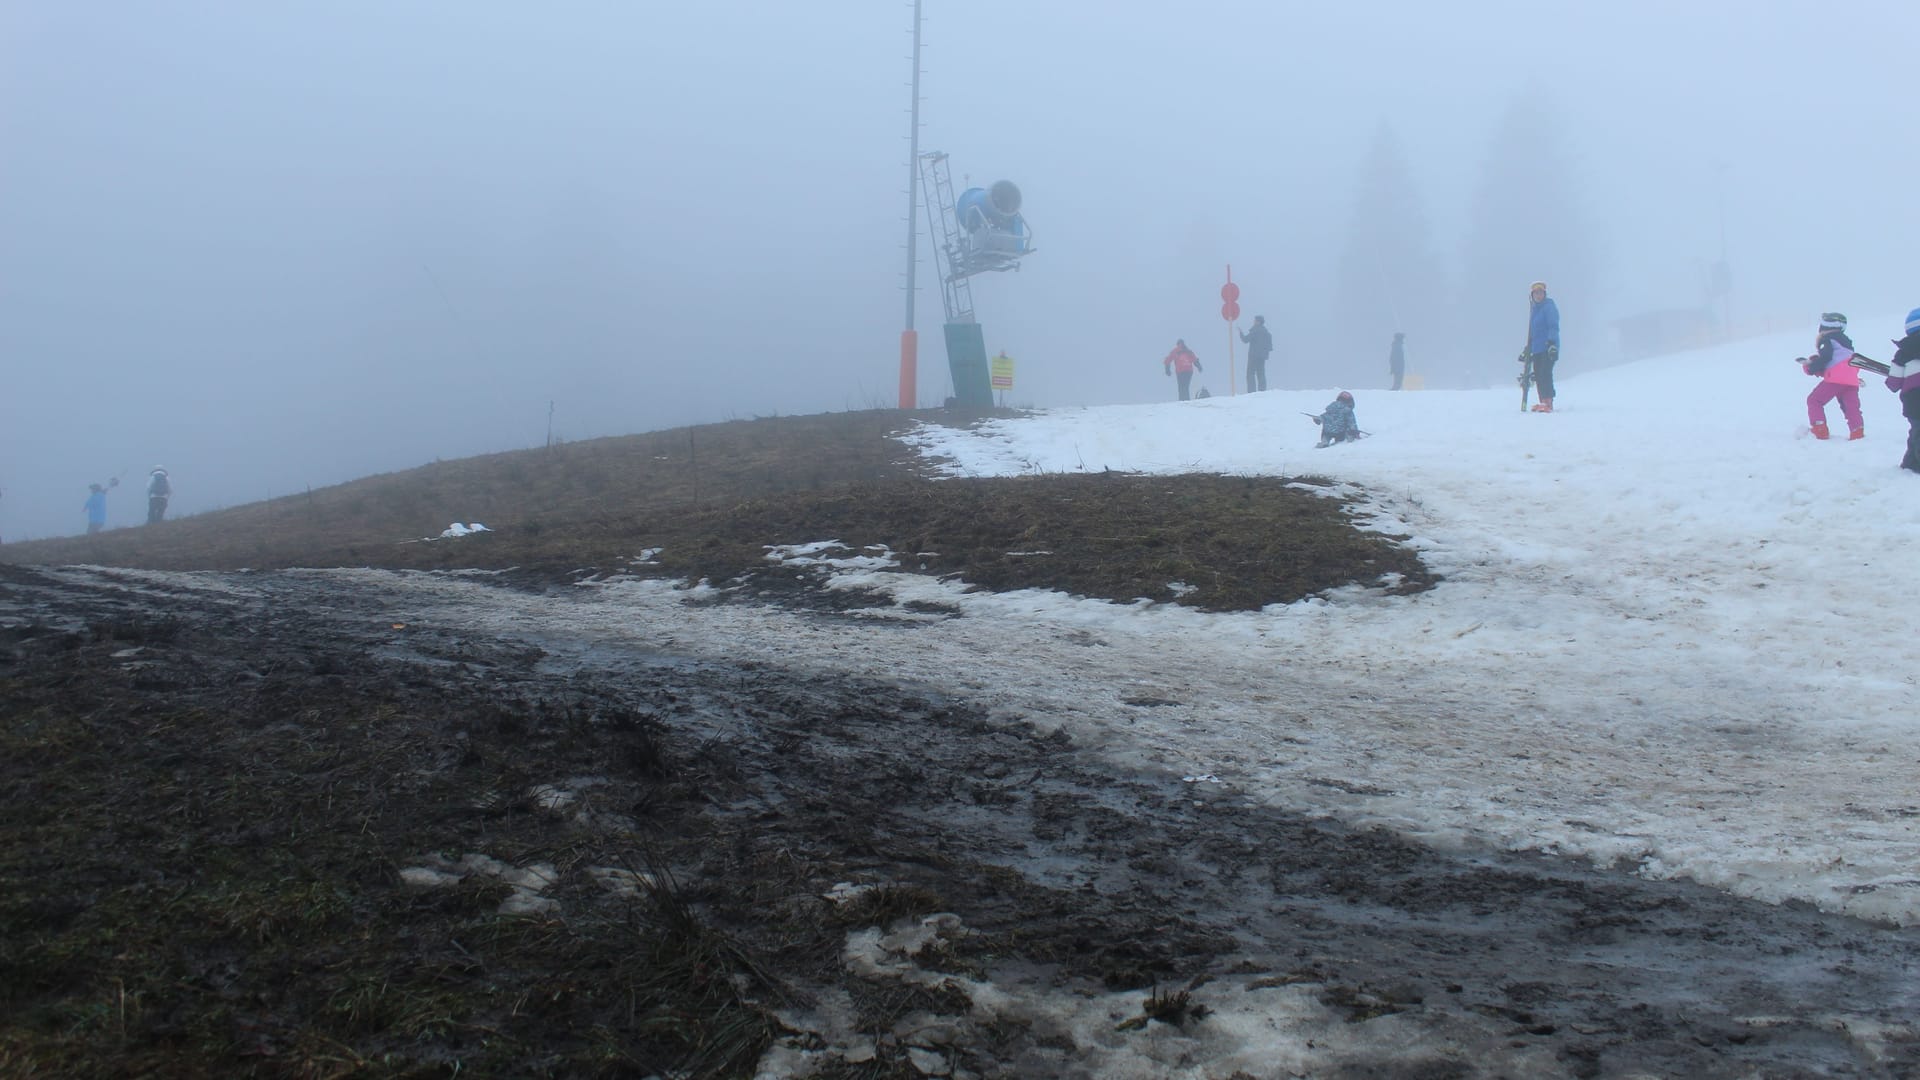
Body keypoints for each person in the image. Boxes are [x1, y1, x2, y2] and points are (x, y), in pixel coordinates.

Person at [1799, 313, 1864, 440]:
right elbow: (1839, 361)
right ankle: (1857, 432)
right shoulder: (1846, 342)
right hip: (1851, 379)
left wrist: (1812, 367)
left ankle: (1820, 430)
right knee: (1850, 407)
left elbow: (1827, 357)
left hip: (1835, 380)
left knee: (1814, 400)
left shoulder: (1827, 339)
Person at [1883, 307, 1920, 470]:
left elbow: (1893, 384)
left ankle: (1910, 464)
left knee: (1916, 432)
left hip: (1914, 401)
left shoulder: (1902, 354)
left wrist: (1893, 378)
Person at [1520, 281, 1561, 412]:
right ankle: (1543, 401)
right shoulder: (1534, 310)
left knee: (1545, 373)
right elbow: (1532, 333)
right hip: (1537, 348)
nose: (1538, 295)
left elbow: (1553, 325)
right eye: (1536, 293)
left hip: (1548, 346)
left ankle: (1548, 402)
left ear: (1544, 294)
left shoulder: (1549, 307)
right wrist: (1528, 349)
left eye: (1540, 293)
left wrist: (1552, 343)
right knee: (1538, 374)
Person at [1239, 315, 1273, 393]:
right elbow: (1270, 347)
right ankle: (1262, 391)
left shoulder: (1255, 330)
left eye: (1254, 320)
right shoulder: (1266, 332)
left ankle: (1251, 392)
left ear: (1258, 322)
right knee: (1261, 373)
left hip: (1253, 356)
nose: (1253, 322)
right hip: (1262, 356)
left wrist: (1240, 333)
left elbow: (1245, 340)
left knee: (1250, 374)